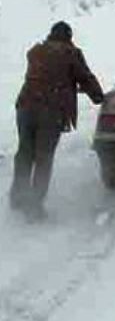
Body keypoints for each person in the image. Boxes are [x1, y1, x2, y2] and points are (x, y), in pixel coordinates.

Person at [10, 21, 105, 221]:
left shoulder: (36, 51)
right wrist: (99, 97)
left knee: (25, 152)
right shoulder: (71, 53)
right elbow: (85, 78)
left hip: (25, 106)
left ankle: (18, 196)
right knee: (44, 157)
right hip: (50, 110)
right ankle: (34, 206)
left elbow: (46, 73)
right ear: (68, 38)